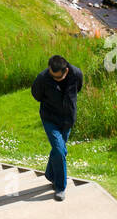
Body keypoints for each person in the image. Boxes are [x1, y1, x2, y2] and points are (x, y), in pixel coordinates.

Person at [31, 54, 84, 200]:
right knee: (60, 150)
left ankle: (50, 173)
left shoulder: (76, 74)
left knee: (58, 150)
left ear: (65, 71)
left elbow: (78, 88)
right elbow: (36, 95)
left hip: (67, 119)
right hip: (50, 118)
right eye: (52, 75)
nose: (54, 79)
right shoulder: (42, 78)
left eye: (57, 77)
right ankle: (60, 187)